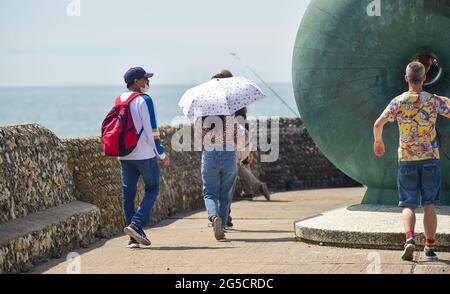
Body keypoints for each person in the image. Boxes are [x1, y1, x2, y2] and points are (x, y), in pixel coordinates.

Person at [373, 61, 450, 261]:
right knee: (429, 206)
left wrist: (378, 142)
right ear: (425, 78)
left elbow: (378, 124)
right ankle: (430, 248)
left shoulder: (398, 102)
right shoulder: (433, 101)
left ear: (406, 78)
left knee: (407, 204)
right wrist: (445, 99)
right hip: (430, 160)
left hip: (407, 160)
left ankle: (409, 240)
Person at [119, 67, 170, 248]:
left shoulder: (120, 99)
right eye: (145, 79)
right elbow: (152, 130)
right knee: (153, 187)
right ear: (136, 81)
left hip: (124, 154)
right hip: (144, 154)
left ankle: (133, 239)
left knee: (128, 194)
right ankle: (136, 225)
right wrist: (161, 154)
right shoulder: (144, 100)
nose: (148, 82)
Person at [201, 70, 245, 240]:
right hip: (228, 153)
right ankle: (224, 224)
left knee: (210, 193)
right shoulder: (230, 110)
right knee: (225, 193)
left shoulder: (203, 111)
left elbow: (199, 135)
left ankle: (214, 217)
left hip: (210, 154)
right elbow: (237, 135)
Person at [226, 106, 271, 229]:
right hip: (245, 146)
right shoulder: (243, 118)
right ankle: (249, 191)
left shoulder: (234, 118)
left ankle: (257, 186)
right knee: (244, 166)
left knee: (238, 167)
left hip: (236, 149)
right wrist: (250, 152)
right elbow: (248, 135)